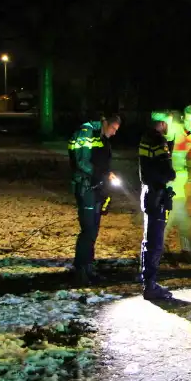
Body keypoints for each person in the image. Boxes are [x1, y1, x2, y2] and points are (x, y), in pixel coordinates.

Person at [155, 110, 191, 276]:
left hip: (178, 194)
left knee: (161, 231)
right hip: (180, 194)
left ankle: (149, 268)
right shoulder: (184, 140)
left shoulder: (169, 139)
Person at [69, 113, 120, 286]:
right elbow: (82, 162)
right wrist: (102, 174)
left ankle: (88, 268)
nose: (114, 133)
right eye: (113, 128)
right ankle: (81, 271)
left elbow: (100, 160)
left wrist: (107, 175)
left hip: (96, 188)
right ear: (105, 122)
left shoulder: (100, 136)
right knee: (88, 230)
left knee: (93, 230)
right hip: (86, 188)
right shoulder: (86, 132)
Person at [139, 118, 176, 300]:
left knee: (148, 239)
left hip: (147, 193)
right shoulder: (159, 141)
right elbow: (168, 171)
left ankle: (147, 281)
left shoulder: (145, 138)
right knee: (156, 242)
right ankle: (150, 285)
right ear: (162, 123)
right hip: (157, 195)